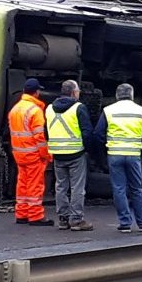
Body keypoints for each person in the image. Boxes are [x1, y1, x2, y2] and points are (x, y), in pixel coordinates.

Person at [95, 83, 142, 232]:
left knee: (119, 189)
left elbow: (98, 134)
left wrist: (103, 152)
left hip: (114, 154)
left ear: (117, 95)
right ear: (132, 95)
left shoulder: (108, 111)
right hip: (134, 155)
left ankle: (125, 223)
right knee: (137, 188)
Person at [46, 80, 93, 231]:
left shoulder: (49, 108)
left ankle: (63, 219)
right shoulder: (79, 107)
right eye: (78, 91)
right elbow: (87, 131)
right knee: (77, 188)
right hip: (76, 153)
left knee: (60, 187)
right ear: (73, 92)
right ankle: (76, 220)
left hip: (57, 153)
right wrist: (88, 149)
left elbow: (46, 131)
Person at [9, 78, 53, 226]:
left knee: (22, 184)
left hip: (19, 154)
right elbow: (39, 137)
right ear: (36, 92)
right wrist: (46, 154)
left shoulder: (15, 109)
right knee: (35, 185)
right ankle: (35, 216)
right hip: (33, 155)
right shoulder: (35, 111)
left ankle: (21, 214)